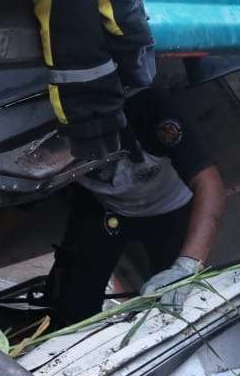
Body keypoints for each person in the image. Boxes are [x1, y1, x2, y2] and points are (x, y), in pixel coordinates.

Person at [44, 84, 226, 326]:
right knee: (70, 305)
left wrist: (187, 266)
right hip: (104, 208)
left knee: (177, 305)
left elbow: (210, 184)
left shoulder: (148, 106)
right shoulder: (40, 135)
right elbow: (12, 208)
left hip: (171, 209)